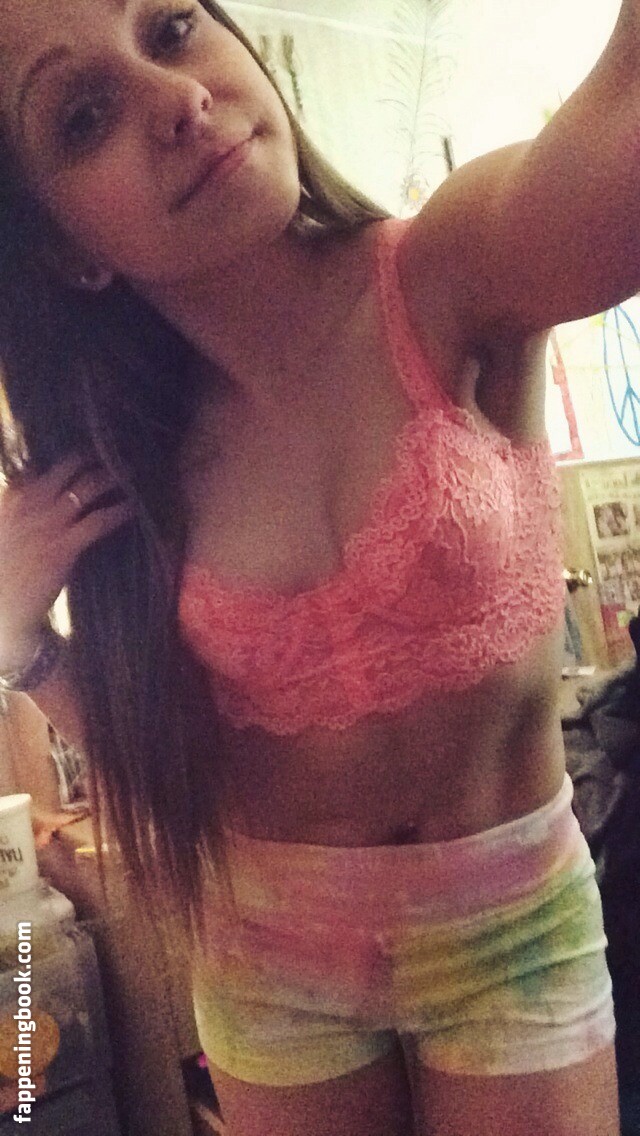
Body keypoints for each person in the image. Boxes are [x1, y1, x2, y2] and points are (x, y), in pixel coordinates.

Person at [0, 1, 631, 1132]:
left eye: (172, 28)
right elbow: (172, 758)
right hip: (267, 959)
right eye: (85, 116)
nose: (178, 98)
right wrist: (19, 636)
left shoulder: (449, 270)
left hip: (512, 928)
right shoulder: (124, 456)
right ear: (64, 252)